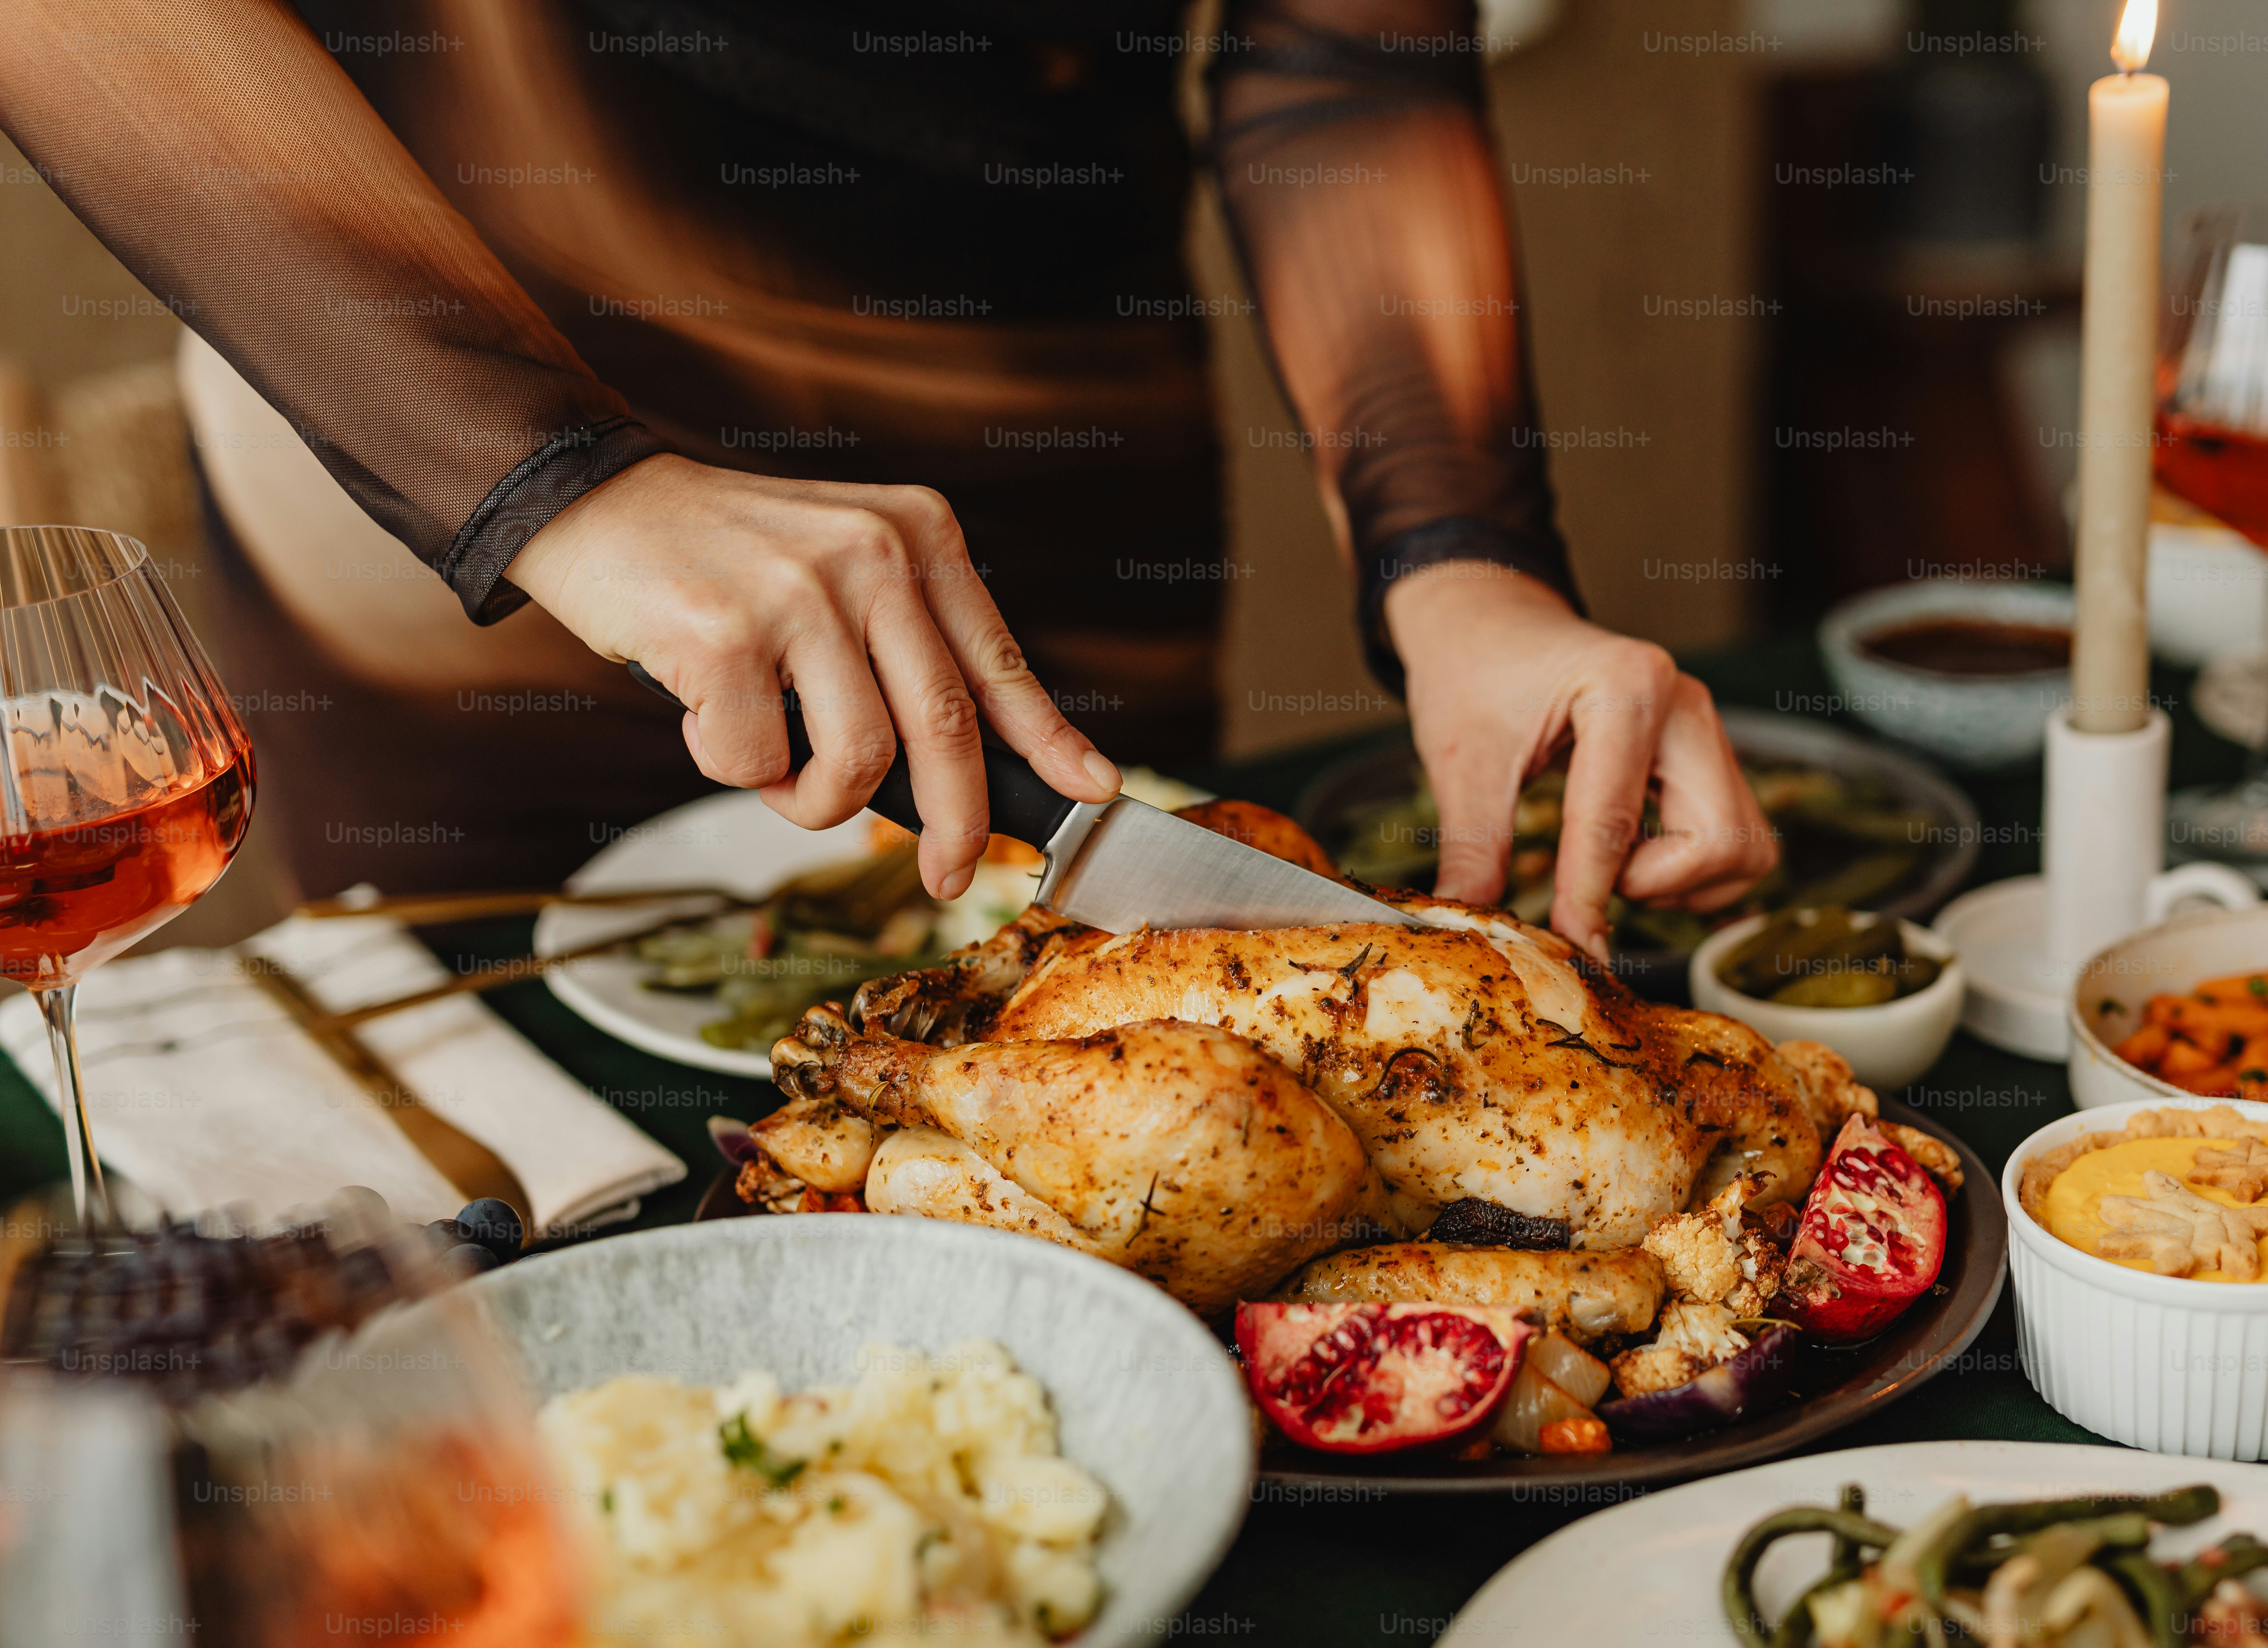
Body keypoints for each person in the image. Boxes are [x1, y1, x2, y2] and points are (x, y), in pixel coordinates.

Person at [0, 0, 1772, 958]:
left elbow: (1348, 47)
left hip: (1042, 486)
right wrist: (566, 485)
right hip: (446, 454)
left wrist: (1462, 557)